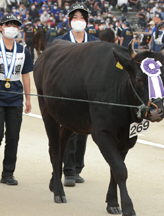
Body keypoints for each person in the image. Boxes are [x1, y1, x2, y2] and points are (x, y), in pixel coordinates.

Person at [0, 14, 33, 185]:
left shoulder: (23, 50)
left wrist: (28, 98)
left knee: (13, 136)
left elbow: (25, 75)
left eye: (15, 26)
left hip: (15, 97)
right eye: (8, 25)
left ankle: (8, 173)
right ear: (1, 27)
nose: (12, 28)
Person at [53, 2, 99, 187]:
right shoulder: (60, 42)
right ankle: (68, 171)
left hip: (88, 95)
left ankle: (78, 168)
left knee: (84, 133)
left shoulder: (96, 43)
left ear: (87, 22)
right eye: (74, 18)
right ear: (69, 21)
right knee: (68, 132)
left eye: (81, 18)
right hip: (67, 93)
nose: (78, 21)